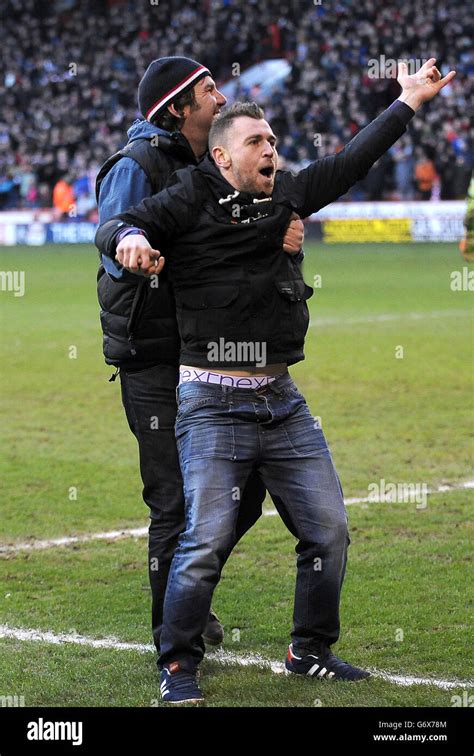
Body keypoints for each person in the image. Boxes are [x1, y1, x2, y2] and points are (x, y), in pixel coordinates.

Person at [96, 59, 455, 705]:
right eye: (258, 143)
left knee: (327, 531)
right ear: (224, 156)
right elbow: (119, 224)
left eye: (273, 141)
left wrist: (406, 102)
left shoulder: (283, 194)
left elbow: (348, 163)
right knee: (200, 537)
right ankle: (177, 665)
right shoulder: (186, 195)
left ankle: (308, 649)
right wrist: (127, 237)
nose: (273, 150)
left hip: (281, 400)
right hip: (209, 401)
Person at [95, 57, 305, 658]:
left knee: (245, 492)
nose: (221, 98)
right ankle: (175, 639)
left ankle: (190, 592)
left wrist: (281, 233)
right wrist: (135, 248)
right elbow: (116, 237)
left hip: (210, 353)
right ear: (177, 109)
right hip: (156, 358)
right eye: (208, 90)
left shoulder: (209, 162)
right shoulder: (136, 166)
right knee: (173, 500)